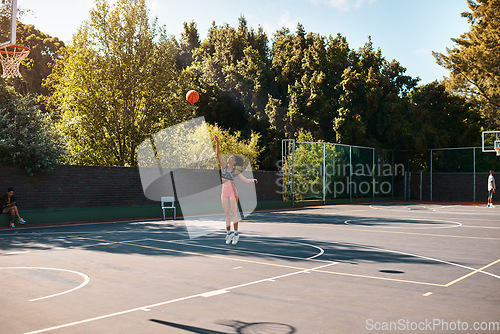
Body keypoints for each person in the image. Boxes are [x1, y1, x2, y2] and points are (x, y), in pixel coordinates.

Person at [213, 135, 257, 245]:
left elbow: (245, 180)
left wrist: (253, 180)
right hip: (224, 190)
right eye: (229, 157)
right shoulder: (223, 166)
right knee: (227, 213)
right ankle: (229, 233)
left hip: (232, 191)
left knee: (234, 212)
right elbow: (218, 154)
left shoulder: (236, 171)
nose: (229, 158)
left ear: (234, 162)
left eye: (232, 158)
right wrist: (217, 142)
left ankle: (236, 233)